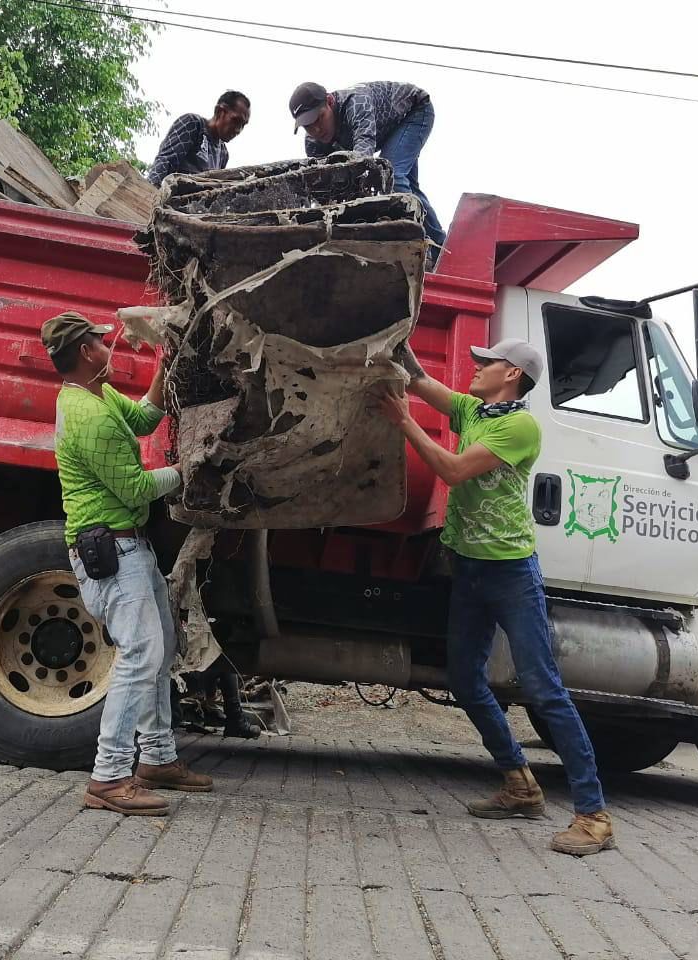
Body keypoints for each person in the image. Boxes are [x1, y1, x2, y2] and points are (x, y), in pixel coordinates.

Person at [376, 340, 616, 856]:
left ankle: (593, 815)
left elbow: (454, 471)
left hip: (510, 573)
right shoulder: (475, 409)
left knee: (543, 687)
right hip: (469, 568)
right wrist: (399, 342)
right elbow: (419, 380)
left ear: (511, 373)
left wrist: (404, 423)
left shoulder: (519, 427)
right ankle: (520, 784)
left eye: (485, 363)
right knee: (465, 679)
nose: (475, 367)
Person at [43, 311, 213, 816]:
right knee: (141, 656)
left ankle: (157, 758)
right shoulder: (89, 417)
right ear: (83, 352)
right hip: (114, 554)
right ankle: (109, 776)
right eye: (100, 342)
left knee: (160, 652)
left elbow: (143, 418)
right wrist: (188, 471)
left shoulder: (95, 395)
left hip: (125, 547)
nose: (108, 348)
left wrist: (167, 360)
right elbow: (136, 488)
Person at [289, 80, 446, 266]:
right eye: (308, 126)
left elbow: (363, 164)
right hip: (385, 129)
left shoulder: (356, 105)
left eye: (319, 118)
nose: (316, 129)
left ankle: (430, 250)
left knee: (393, 176)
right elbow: (326, 189)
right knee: (406, 187)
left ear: (330, 102)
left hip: (413, 113)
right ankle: (442, 245)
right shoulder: (313, 144)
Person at [146, 90, 251, 186]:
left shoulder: (223, 153)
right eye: (236, 121)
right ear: (219, 112)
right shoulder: (193, 124)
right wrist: (149, 193)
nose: (238, 130)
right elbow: (165, 160)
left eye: (243, 125)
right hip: (170, 197)